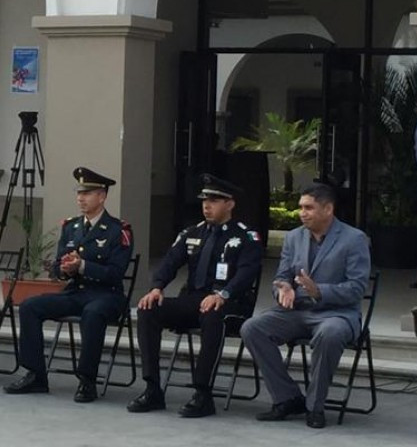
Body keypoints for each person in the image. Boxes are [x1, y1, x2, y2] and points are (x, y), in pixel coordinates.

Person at [127, 173, 262, 418]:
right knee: (148, 309)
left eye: (214, 201)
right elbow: (169, 263)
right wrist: (156, 287)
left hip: (230, 302)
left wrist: (223, 293)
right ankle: (152, 388)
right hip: (194, 298)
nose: (206, 206)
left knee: (212, 314)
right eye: (204, 200)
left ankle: (203, 393)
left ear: (229, 204)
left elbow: (246, 274)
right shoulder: (192, 233)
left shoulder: (245, 236)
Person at [240, 182, 371, 429]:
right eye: (301, 207)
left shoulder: (354, 239)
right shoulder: (293, 237)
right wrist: (284, 287)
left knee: (329, 333)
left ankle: (315, 406)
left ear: (328, 209)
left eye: (308, 208)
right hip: (296, 311)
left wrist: (319, 291)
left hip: (336, 314)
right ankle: (287, 397)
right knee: (252, 328)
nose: (302, 213)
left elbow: (357, 288)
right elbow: (282, 276)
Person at [3, 167, 132, 403]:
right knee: (30, 306)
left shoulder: (118, 230)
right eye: (79, 193)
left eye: (88, 193)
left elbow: (115, 273)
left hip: (107, 296)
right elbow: (57, 266)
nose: (81, 198)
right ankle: (36, 375)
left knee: (93, 314)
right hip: (76, 292)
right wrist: (63, 269)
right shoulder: (71, 226)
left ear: (102, 196)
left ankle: (87, 380)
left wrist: (83, 266)